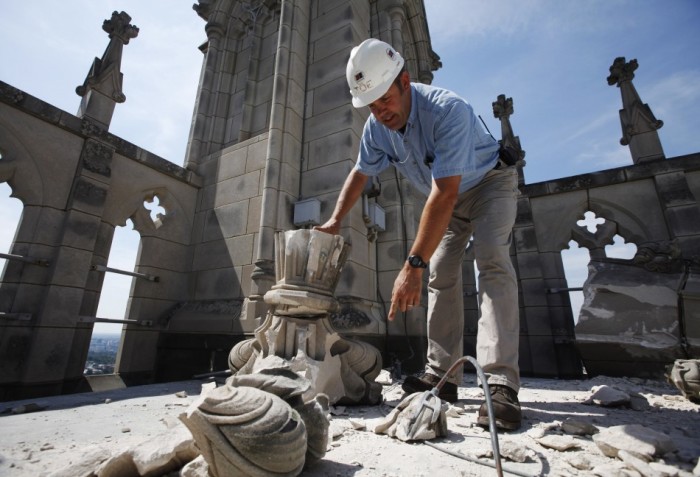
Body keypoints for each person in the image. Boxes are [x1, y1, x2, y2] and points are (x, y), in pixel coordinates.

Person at [315, 38, 521, 431]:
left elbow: (444, 194)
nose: (380, 112)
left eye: (385, 100)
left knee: (492, 260)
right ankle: (442, 377)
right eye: (371, 105)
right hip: (448, 200)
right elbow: (360, 173)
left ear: (405, 81)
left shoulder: (448, 110)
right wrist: (335, 220)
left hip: (488, 184)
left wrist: (412, 265)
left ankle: (500, 383)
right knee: (442, 275)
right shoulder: (378, 127)